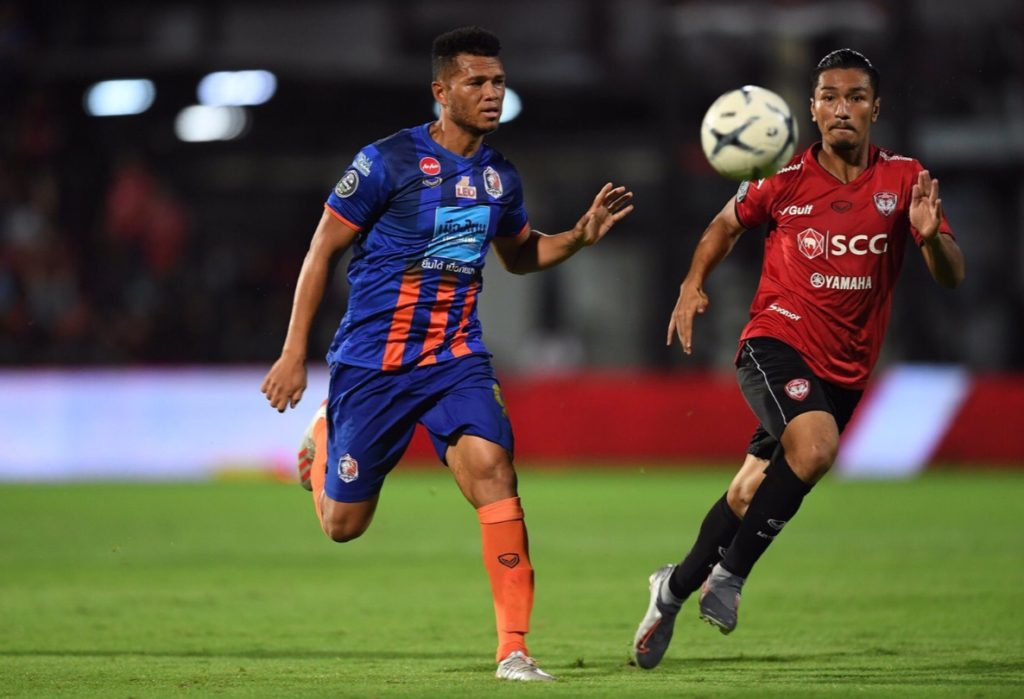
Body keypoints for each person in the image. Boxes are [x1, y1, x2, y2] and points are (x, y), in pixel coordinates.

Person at [260, 26, 633, 682]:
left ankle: (513, 650)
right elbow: (321, 251)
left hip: (455, 358)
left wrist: (577, 236)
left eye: (498, 81)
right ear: (441, 91)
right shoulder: (386, 162)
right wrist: (294, 352)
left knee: (494, 472)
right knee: (343, 525)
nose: (492, 93)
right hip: (373, 363)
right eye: (476, 82)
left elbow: (519, 256)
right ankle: (326, 430)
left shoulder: (499, 178)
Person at [632, 48, 964, 669]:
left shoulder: (905, 180)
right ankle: (729, 577)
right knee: (815, 448)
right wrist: (692, 282)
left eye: (855, 97)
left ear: (875, 108)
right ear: (811, 109)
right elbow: (723, 225)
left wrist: (928, 238)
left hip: (847, 368)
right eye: (829, 97)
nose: (842, 108)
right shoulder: (781, 177)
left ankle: (670, 590)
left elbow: (951, 274)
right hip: (776, 341)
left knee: (748, 491)